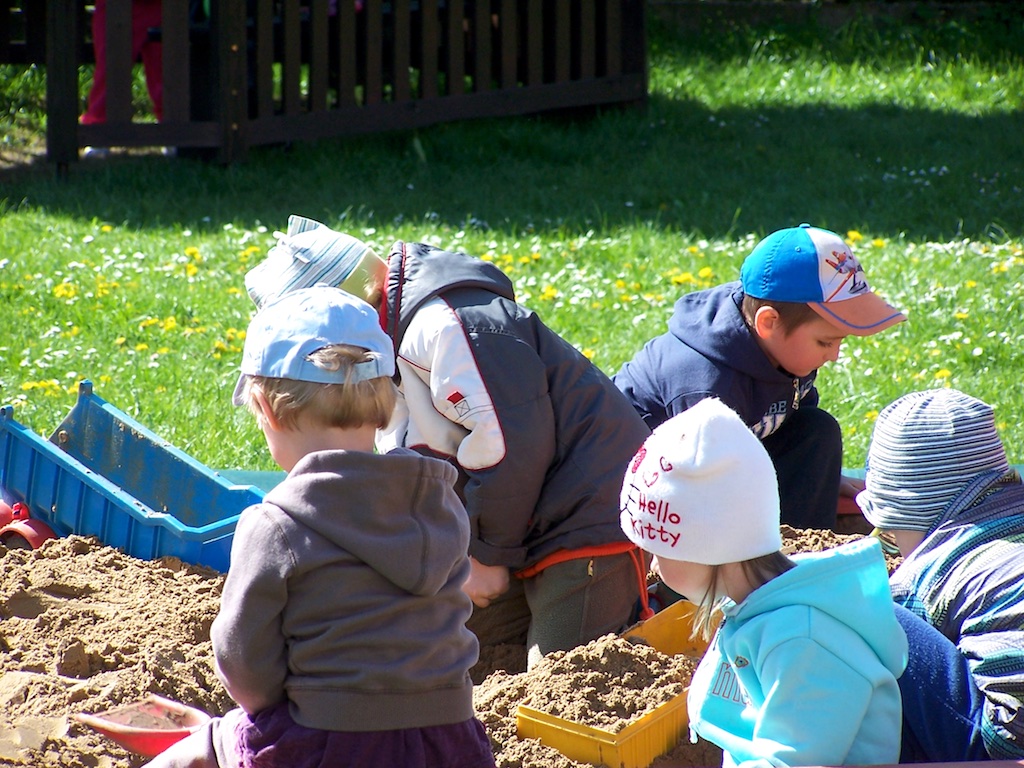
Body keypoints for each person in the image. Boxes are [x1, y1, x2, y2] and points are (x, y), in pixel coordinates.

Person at [242, 214, 653, 669]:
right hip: (521, 518)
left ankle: (644, 608)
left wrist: (488, 558)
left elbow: (510, 449)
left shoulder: (447, 329)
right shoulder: (387, 343)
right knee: (443, 642)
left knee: (560, 672)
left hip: (587, 513)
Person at [146, 287, 495, 768]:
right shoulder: (439, 501)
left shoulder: (276, 523)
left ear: (266, 408)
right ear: (384, 403)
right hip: (450, 743)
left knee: (199, 749)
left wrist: (271, 715)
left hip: (327, 742)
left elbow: (243, 659)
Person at [619, 397, 907, 768]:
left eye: (657, 551)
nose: (653, 566)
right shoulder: (756, 608)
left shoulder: (803, 641)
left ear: (708, 547)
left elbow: (791, 762)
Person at [613, 223, 906, 530]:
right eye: (825, 342)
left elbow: (795, 421)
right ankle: (772, 555)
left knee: (817, 429)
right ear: (768, 322)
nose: (834, 355)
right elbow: (701, 486)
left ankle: (806, 548)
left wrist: (824, 478)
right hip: (647, 493)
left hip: (729, 464)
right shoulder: (706, 385)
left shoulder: (784, 350)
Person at [858, 388, 1024, 761]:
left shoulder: (934, 569)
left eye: (891, 534)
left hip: (1006, 748)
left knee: (867, 614)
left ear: (903, 514)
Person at [81, 0, 164, 157]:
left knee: (166, 71)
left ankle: (172, 127)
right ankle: (99, 129)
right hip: (114, 7)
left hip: (163, 7)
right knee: (108, 69)